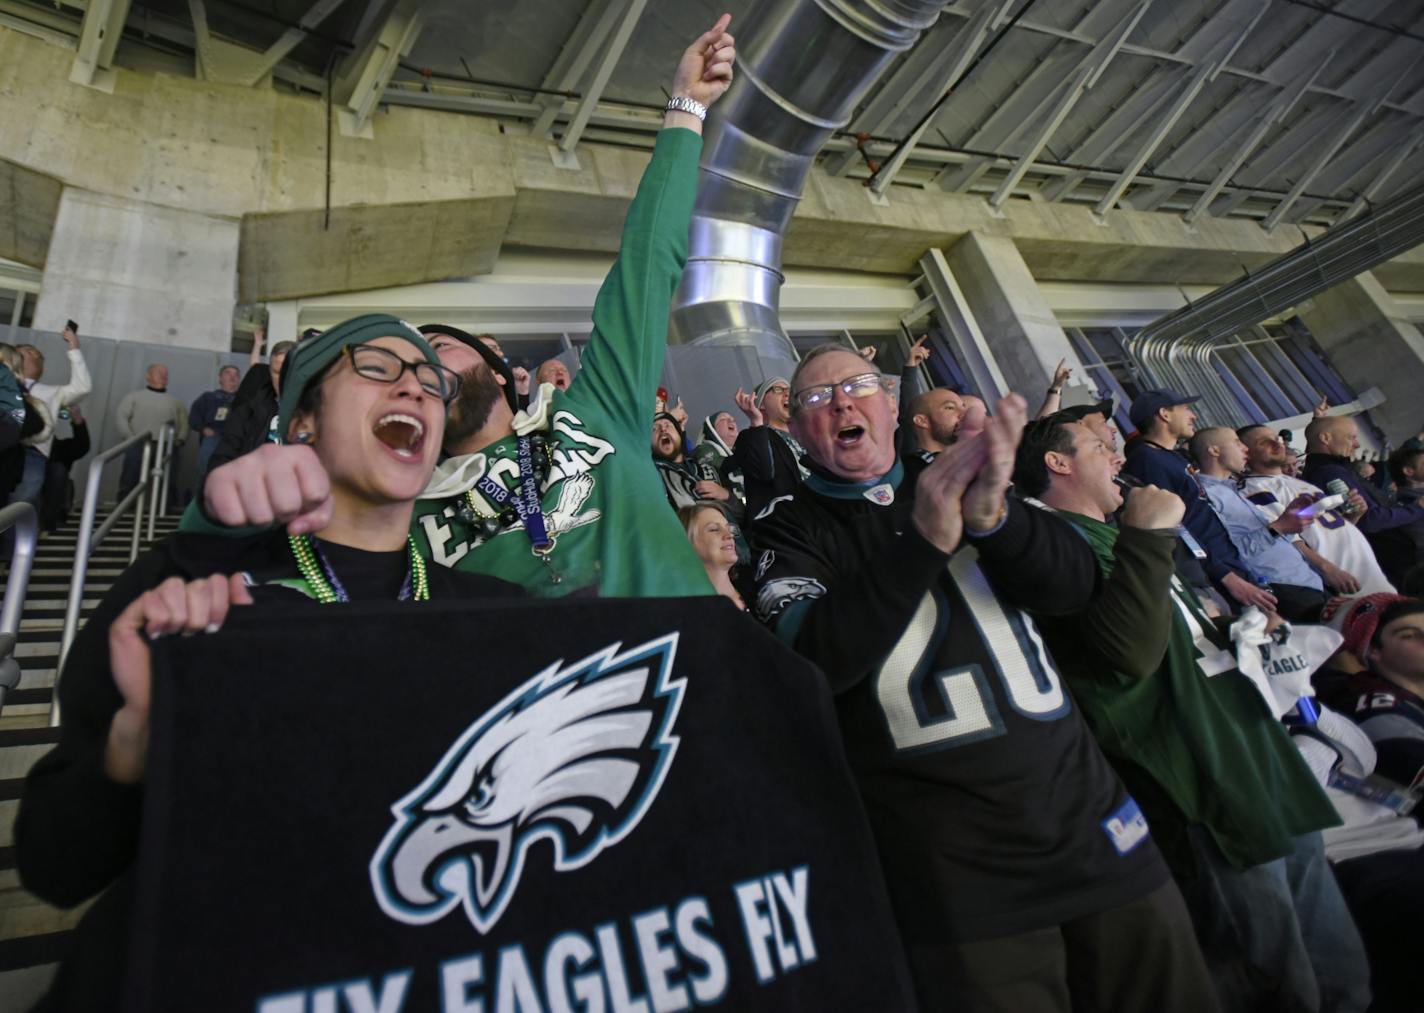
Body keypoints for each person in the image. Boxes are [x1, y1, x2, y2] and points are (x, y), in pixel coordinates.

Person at [16, 315, 525, 1012]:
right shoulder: (190, 591)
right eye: (377, 364)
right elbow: (55, 865)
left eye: (430, 380)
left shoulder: (502, 614)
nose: (415, 384)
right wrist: (135, 738)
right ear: (304, 420)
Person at [188, 18, 737, 601]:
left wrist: (685, 109)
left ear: (499, 370)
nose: (420, 374)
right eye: (396, 371)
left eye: (435, 353)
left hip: (692, 669)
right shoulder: (394, 512)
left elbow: (647, 264)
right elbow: (249, 590)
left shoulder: (600, 405)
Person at [749, 344, 1215, 1012]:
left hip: (1090, 827)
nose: (843, 403)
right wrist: (924, 541)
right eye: (817, 399)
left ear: (889, 404)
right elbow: (810, 662)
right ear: (796, 430)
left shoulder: (965, 473)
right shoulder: (787, 523)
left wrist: (997, 516)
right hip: (957, 877)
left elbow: (1075, 588)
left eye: (857, 386)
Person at [1014, 414, 1369, 1013]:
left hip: (1245, 739)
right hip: (1194, 765)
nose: (1119, 459)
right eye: (1103, 448)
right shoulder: (1056, 542)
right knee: (1269, 970)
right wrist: (1151, 535)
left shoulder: (1114, 529)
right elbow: (1128, 652)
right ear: (1058, 463)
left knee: (1331, 953)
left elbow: (1168, 628)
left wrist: (1234, 627)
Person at [1122, 389, 1278, 613]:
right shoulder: (1147, 459)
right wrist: (1226, 577)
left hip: (1226, 563)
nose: (1193, 415)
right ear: (1165, 414)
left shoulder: (1170, 456)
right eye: (1185, 409)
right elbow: (1176, 526)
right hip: (1214, 574)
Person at [1190, 426, 1330, 621]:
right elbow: (1230, 554)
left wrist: (1289, 518)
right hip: (1281, 587)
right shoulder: (1205, 495)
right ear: (1214, 451)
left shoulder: (1233, 488)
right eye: (1237, 443)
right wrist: (1279, 526)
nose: (1245, 449)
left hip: (1308, 580)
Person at [1240, 424, 1394, 596]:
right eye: (1264, 442)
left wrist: (1353, 516)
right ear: (1246, 453)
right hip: (1339, 575)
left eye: (1276, 438)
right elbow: (1287, 536)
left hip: (1361, 565)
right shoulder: (1254, 488)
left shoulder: (1295, 481)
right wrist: (1327, 568)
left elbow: (1320, 528)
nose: (1277, 444)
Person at [1303, 416, 1424, 586]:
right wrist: (1418, 508)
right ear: (1325, 438)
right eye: (1351, 437)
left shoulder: (1336, 468)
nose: (1357, 444)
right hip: (1393, 565)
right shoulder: (1328, 472)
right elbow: (1369, 519)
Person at [13, 324, 91, 511]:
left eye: (37, 354)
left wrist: (74, 348)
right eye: (27, 352)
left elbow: (82, 387)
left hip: (33, 453)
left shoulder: (50, 392)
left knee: (20, 506)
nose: (35, 354)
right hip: (5, 448)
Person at [204, 339, 296, 487]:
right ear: (270, 371)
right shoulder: (248, 411)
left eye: (289, 371)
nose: (283, 379)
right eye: (277, 372)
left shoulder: (317, 413)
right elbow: (223, 457)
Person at [730, 375, 808, 520]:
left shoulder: (806, 436)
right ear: (761, 405)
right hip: (787, 524)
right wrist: (756, 421)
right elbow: (764, 472)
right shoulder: (750, 437)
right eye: (778, 389)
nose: (787, 393)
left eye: (789, 390)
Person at [115, 364, 188, 501]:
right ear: (148, 376)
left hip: (167, 445)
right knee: (131, 476)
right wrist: (130, 437)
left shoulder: (176, 402)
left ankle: (165, 509)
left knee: (168, 480)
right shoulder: (133, 396)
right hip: (138, 443)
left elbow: (184, 423)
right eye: (158, 372)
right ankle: (125, 506)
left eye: (165, 373)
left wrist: (180, 440)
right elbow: (121, 416)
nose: (163, 375)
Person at [653, 410, 728, 509]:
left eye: (668, 425)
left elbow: (743, 514)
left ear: (680, 434)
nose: (663, 429)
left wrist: (727, 495)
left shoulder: (710, 469)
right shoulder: (651, 475)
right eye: (654, 429)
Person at [678, 502, 745, 610]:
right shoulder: (688, 608)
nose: (729, 535)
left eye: (729, 529)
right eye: (714, 529)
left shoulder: (754, 585)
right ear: (688, 542)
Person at [42, 404, 91, 532]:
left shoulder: (55, 447)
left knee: (58, 470)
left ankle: (48, 523)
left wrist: (77, 419)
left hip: (48, 499)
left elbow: (81, 446)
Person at [189, 365, 241, 480]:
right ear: (220, 378)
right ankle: (202, 491)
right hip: (212, 438)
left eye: (236, 375)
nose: (232, 377)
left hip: (234, 441)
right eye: (228, 373)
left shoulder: (244, 400)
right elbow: (193, 418)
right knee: (206, 473)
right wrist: (204, 429)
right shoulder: (208, 398)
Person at [905, 387, 964, 457]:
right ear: (922, 421)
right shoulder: (916, 464)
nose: (964, 414)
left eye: (964, 408)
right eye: (950, 408)